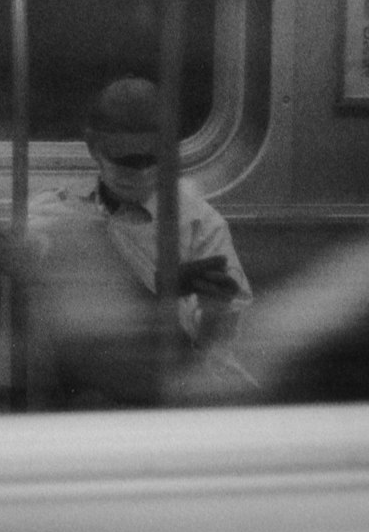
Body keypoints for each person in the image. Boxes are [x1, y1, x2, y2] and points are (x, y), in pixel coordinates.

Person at [20, 76, 253, 409]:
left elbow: (228, 345)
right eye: (125, 160)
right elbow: (38, 326)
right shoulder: (57, 214)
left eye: (152, 158)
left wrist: (215, 312)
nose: (141, 171)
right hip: (80, 393)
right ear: (93, 148)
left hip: (167, 390)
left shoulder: (199, 223)